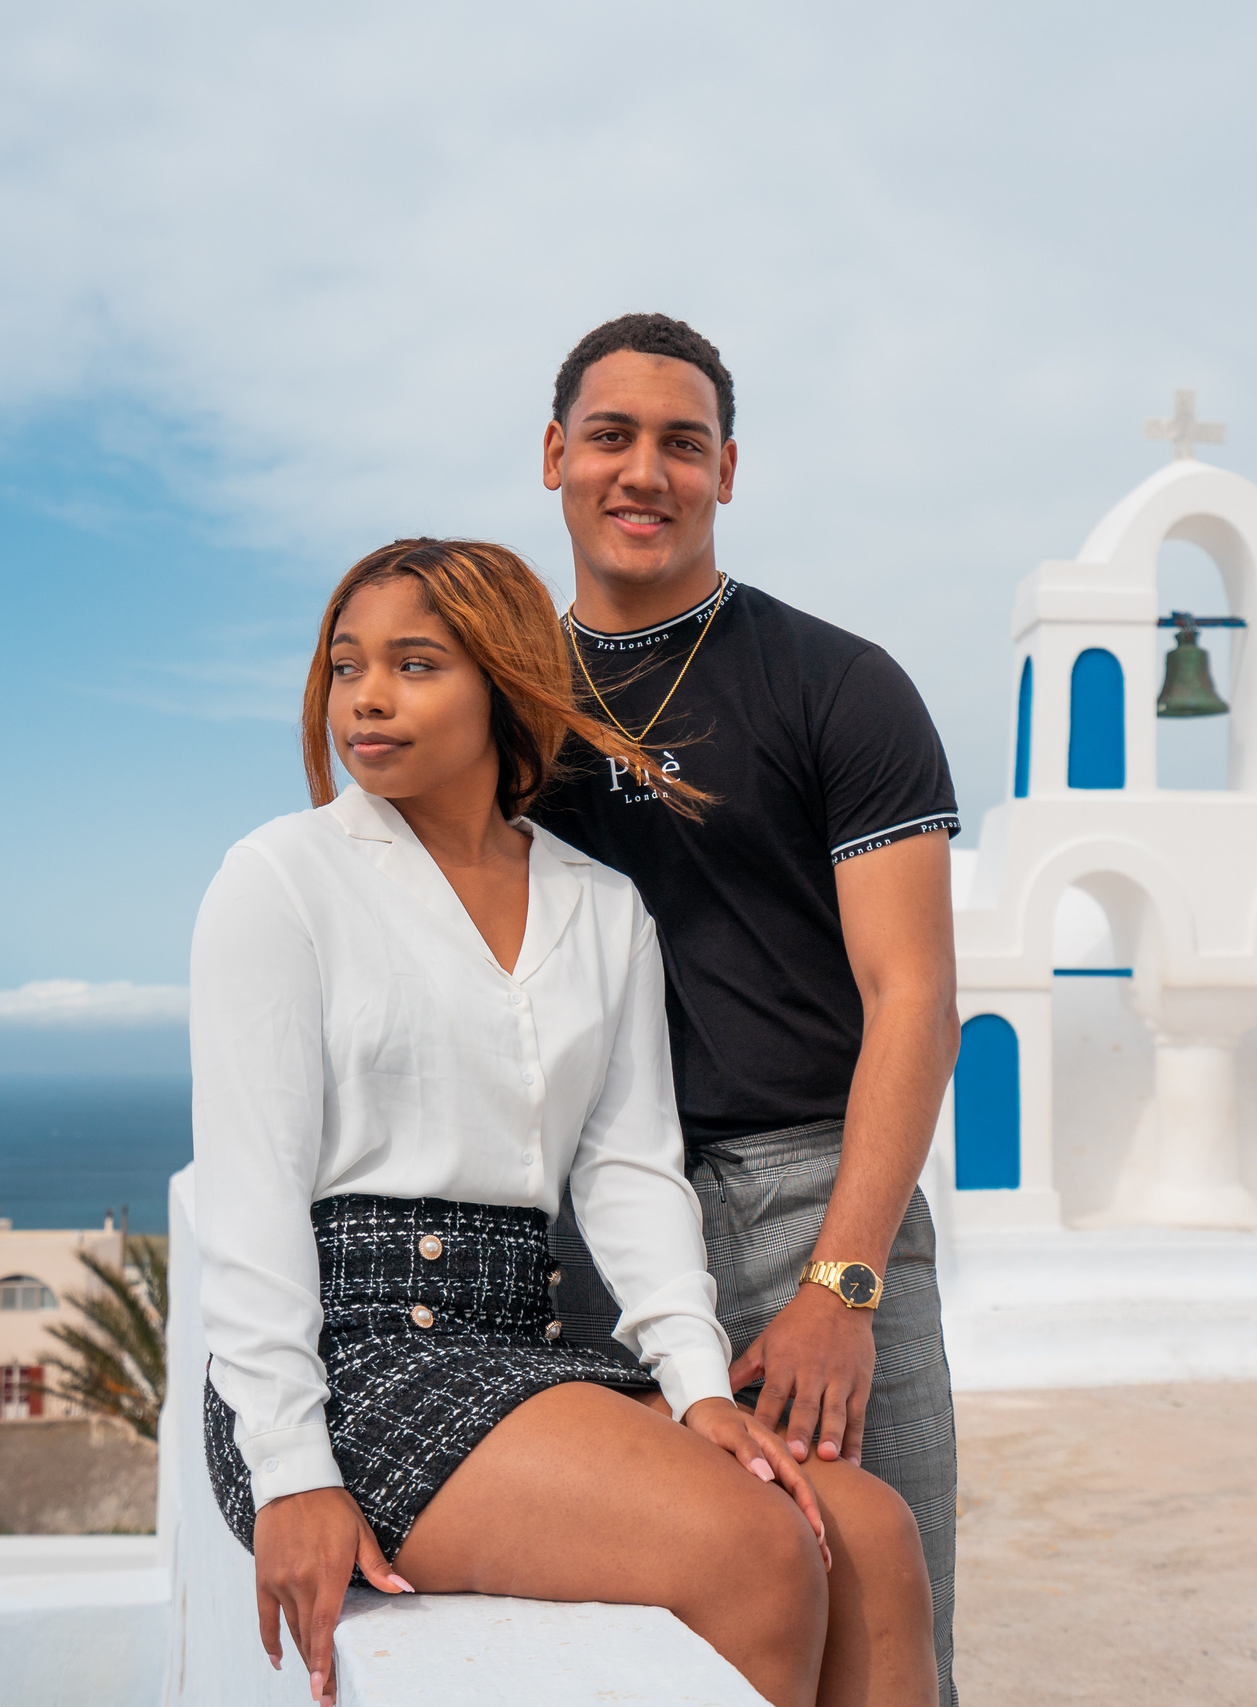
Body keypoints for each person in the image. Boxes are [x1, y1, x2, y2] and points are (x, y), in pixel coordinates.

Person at [191, 538, 936, 1707]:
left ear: (504, 684)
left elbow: (631, 1173)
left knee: (873, 1536)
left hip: (525, 1347)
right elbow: (251, 1194)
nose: (367, 698)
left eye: (415, 665)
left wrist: (699, 1390)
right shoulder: (282, 877)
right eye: (346, 666)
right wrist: (289, 1470)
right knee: (753, 1552)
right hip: (353, 1369)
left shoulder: (601, 905)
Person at [531, 314, 967, 1705]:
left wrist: (844, 1284)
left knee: (888, 1648)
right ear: (554, 455)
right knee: (656, 1661)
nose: (644, 471)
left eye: (683, 443)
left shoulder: (839, 682)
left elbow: (914, 994)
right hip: (590, 1225)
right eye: (611, 436)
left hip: (814, 1205)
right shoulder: (505, 703)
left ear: (726, 470)